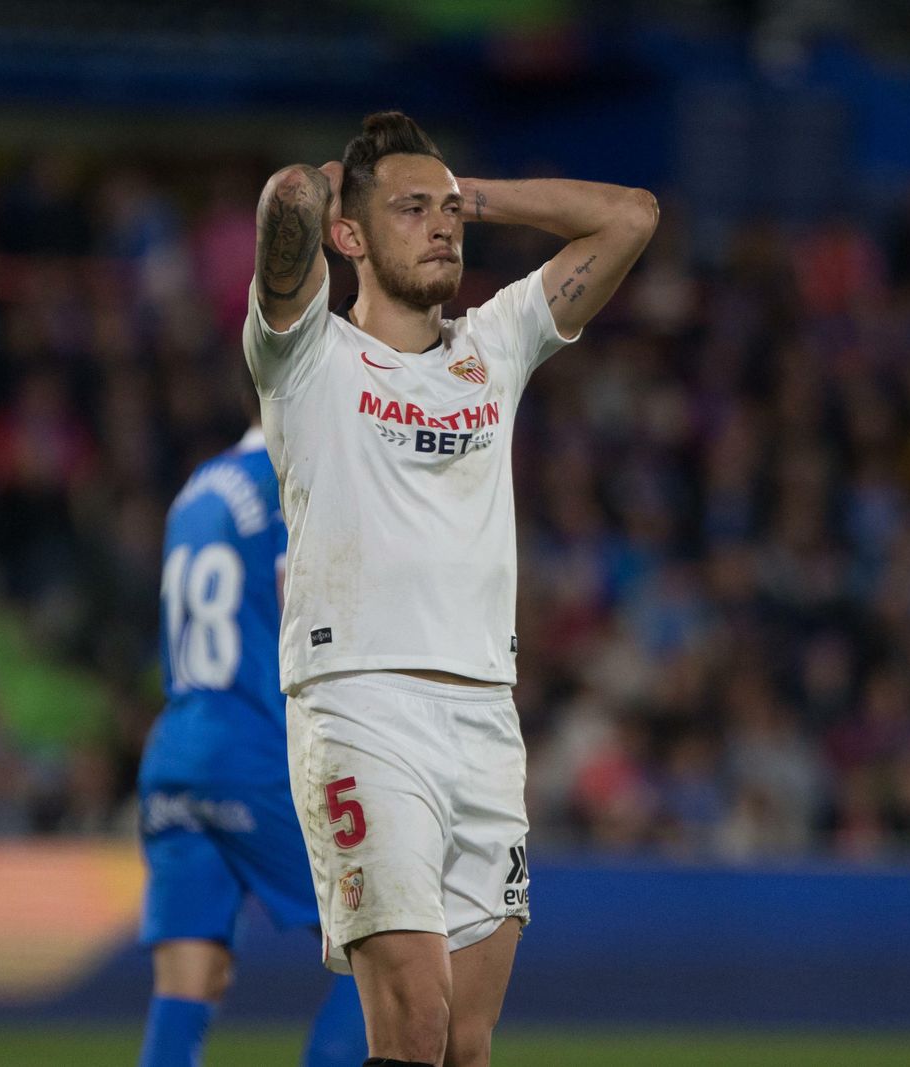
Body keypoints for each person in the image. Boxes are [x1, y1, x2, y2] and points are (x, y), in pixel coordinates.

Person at [242, 111, 657, 1067]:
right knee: (413, 1023)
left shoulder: (493, 345)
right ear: (350, 235)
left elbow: (632, 217)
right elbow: (287, 205)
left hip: (483, 719)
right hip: (362, 706)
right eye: (412, 209)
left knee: (465, 1043)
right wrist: (329, 188)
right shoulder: (306, 357)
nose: (443, 226)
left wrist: (483, 196)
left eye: (450, 210)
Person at [137, 412, 366, 1067]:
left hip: (176, 750)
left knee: (189, 979)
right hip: (256, 746)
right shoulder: (292, 479)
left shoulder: (198, 487)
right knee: (385, 940)